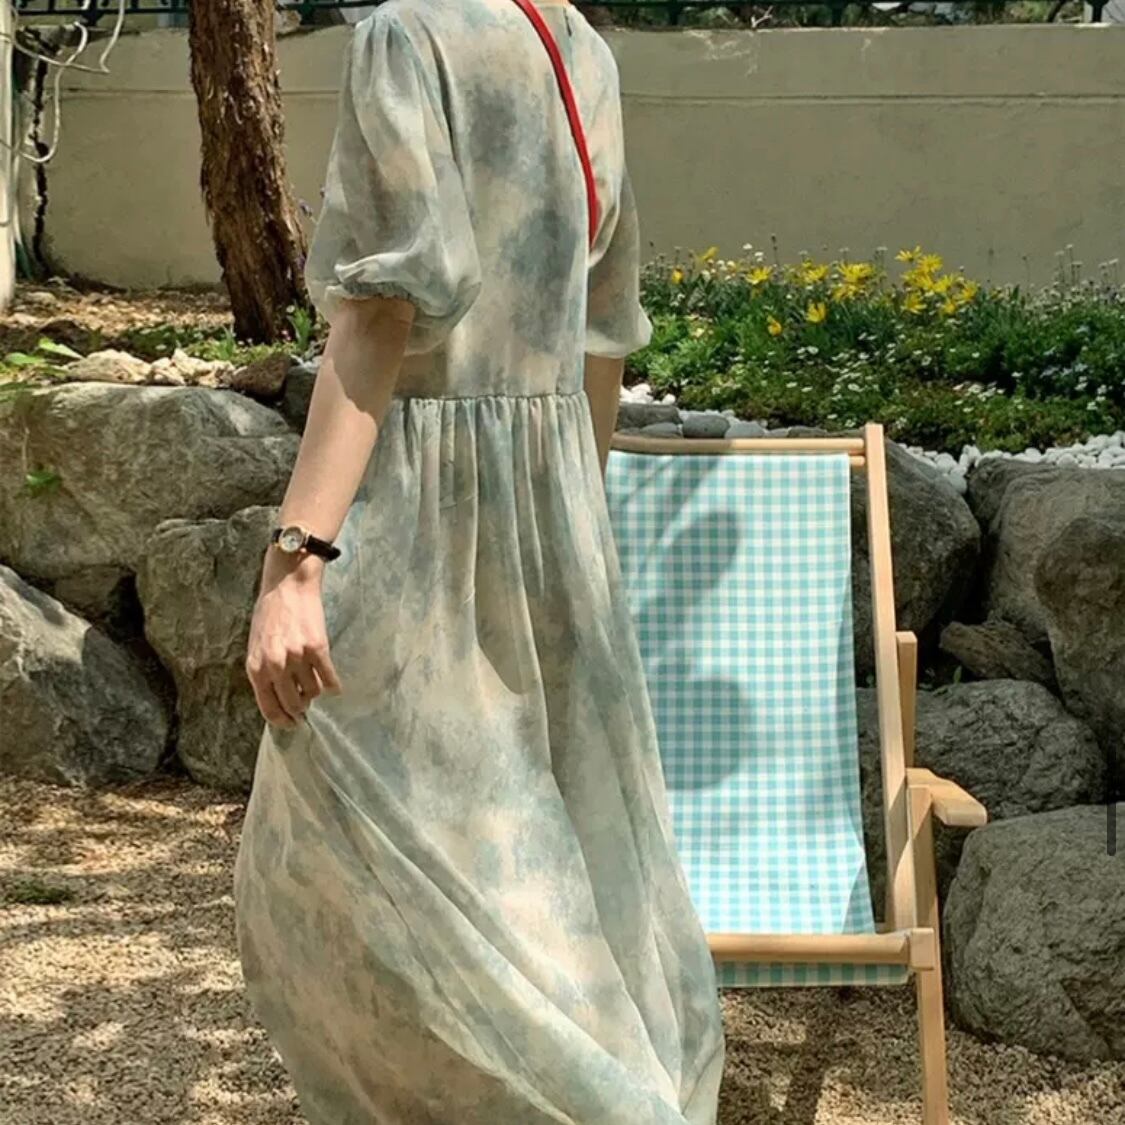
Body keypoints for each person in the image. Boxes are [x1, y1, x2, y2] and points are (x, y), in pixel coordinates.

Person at [232, 0, 726, 1120]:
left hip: (424, 522)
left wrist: (296, 560)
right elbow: (603, 337)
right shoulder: (580, 49)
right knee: (547, 869)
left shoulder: (405, 37)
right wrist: (568, 539)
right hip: (553, 517)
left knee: (341, 862)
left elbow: (379, 316)